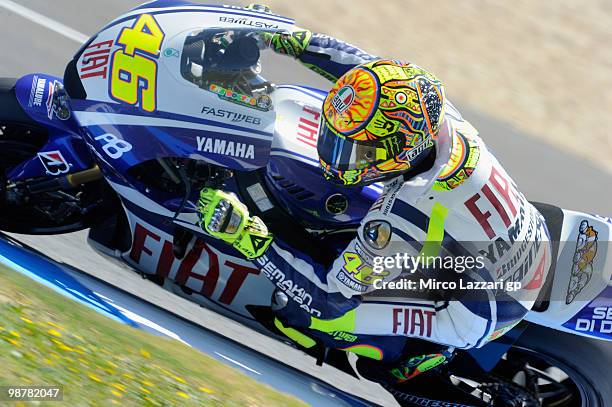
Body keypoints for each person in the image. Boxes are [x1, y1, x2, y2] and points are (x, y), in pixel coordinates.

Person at [197, 14, 552, 386]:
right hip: (520, 243)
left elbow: (328, 297)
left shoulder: (401, 213)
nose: (338, 156)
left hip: (481, 306)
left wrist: (249, 238)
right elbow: (363, 74)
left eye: (357, 151)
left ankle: (414, 356)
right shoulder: (437, 117)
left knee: (309, 316)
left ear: (402, 149)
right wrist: (295, 41)